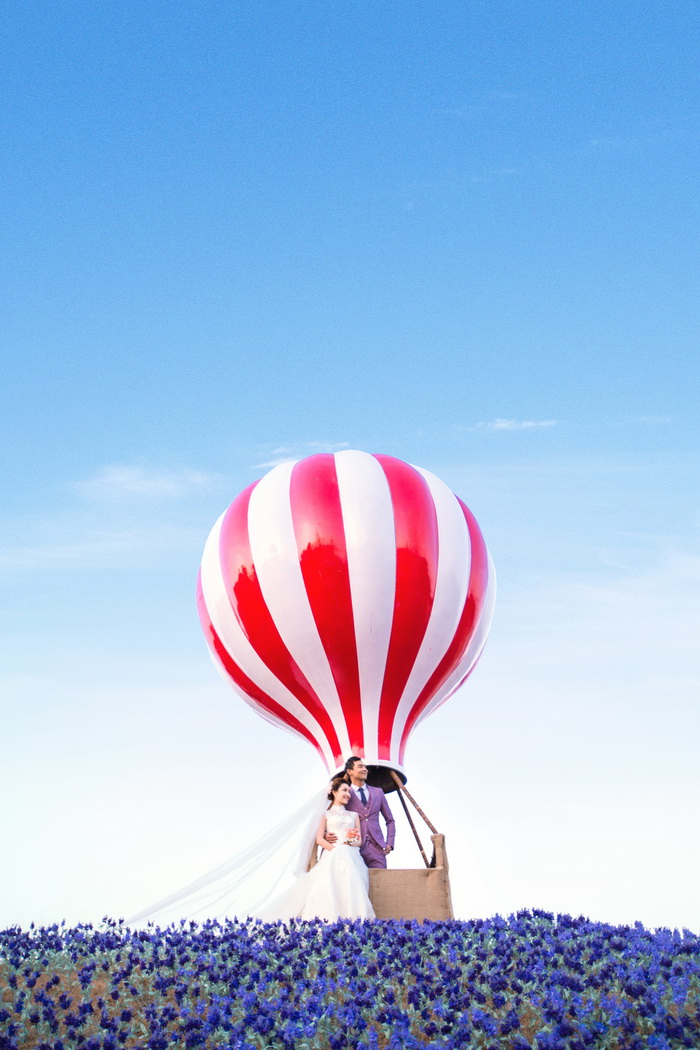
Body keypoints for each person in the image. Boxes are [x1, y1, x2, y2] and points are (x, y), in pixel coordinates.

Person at [258, 776, 375, 922]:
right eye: (344, 790)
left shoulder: (353, 815)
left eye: (349, 791)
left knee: (351, 887)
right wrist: (336, 849)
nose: (347, 794)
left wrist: (350, 843)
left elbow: (359, 841)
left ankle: (355, 920)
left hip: (351, 854)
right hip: (333, 853)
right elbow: (319, 839)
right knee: (330, 887)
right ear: (333, 792)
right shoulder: (325, 815)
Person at [341, 756, 396, 869]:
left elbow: (390, 820)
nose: (365, 769)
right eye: (360, 766)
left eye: (365, 767)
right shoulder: (345, 795)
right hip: (353, 848)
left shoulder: (378, 792)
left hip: (377, 848)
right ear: (349, 771)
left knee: (381, 882)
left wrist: (390, 842)